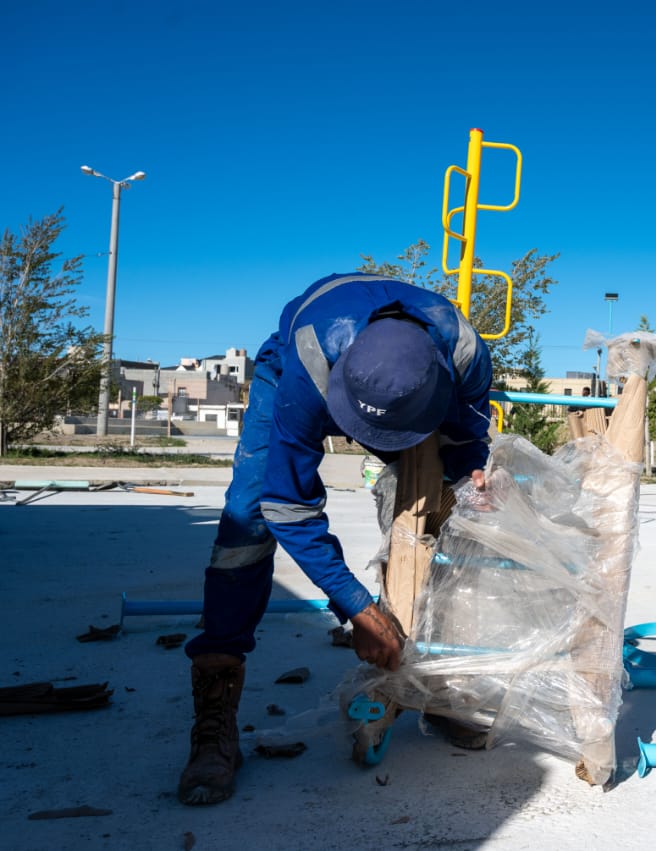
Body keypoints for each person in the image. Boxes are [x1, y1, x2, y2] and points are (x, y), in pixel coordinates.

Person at [178, 273, 493, 806]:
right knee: (246, 522)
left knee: (446, 511)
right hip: (294, 372)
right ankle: (216, 706)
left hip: (414, 389)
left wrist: (471, 477)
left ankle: (428, 682)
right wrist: (356, 607)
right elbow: (289, 505)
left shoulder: (464, 354)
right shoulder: (309, 363)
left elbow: (467, 439)